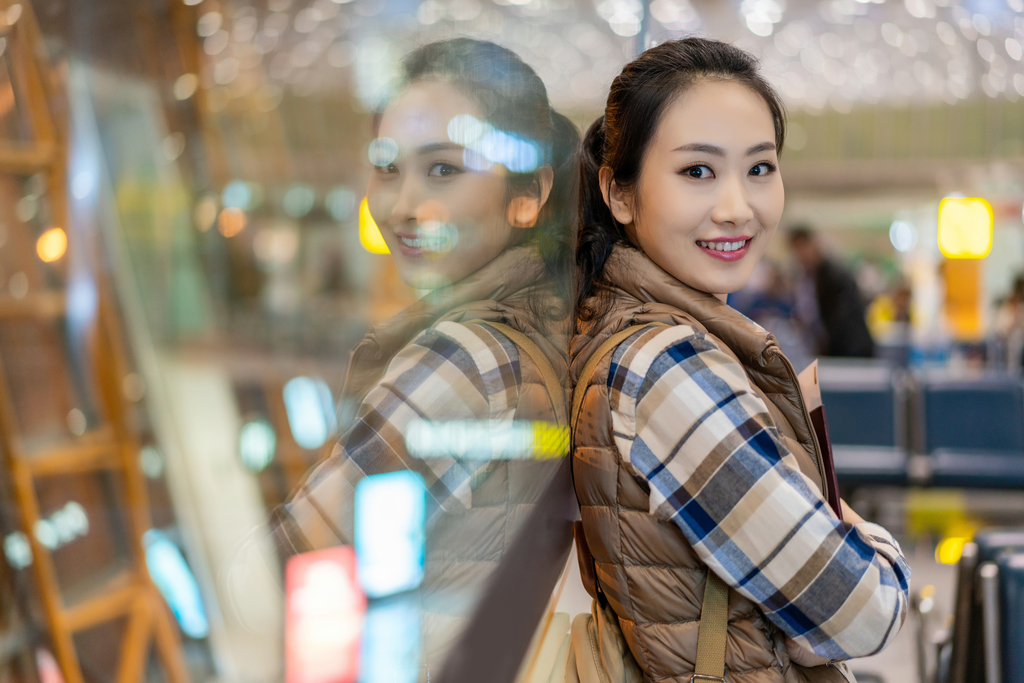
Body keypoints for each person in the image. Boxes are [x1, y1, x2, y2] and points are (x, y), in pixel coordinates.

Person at [572, 38, 909, 682]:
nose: (737, 207)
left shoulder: (633, 328)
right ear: (619, 193)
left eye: (759, 168)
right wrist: (870, 546)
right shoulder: (668, 369)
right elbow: (867, 614)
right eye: (697, 171)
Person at [269, 38, 579, 672]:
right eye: (388, 168)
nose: (403, 207)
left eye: (443, 169)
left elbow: (288, 565)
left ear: (529, 193)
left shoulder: (465, 358)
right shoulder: (542, 325)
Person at [788, 226, 875, 358]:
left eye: (803, 247)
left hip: (850, 351)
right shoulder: (808, 277)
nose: (800, 254)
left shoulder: (834, 274)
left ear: (813, 244)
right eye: (796, 249)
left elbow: (843, 320)